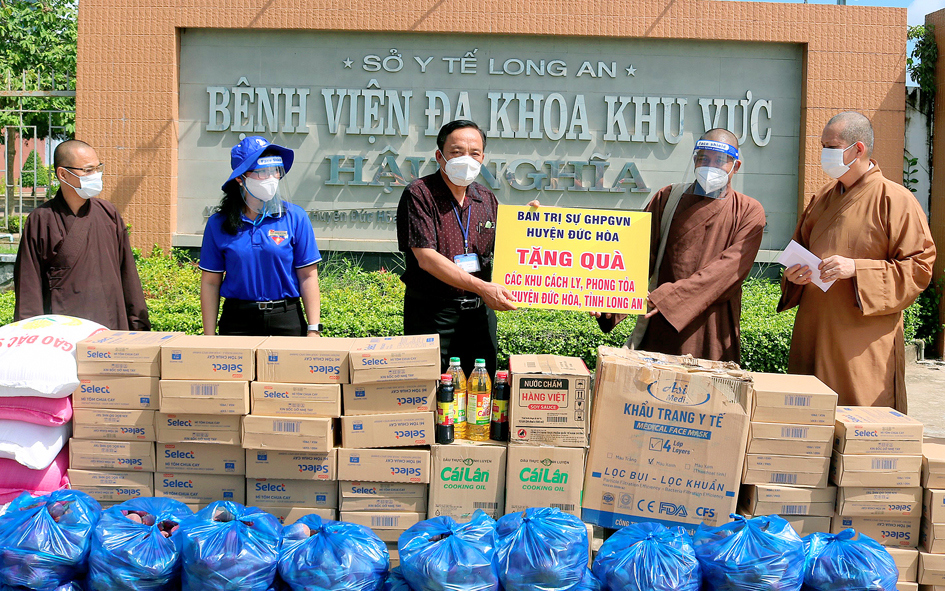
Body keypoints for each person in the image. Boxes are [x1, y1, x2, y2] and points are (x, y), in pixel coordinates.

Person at [780, 111, 935, 411]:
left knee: (860, 419)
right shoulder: (822, 197)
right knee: (809, 416)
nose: (824, 153)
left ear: (858, 149)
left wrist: (857, 269)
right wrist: (794, 275)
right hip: (814, 329)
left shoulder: (895, 199)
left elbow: (919, 267)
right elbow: (799, 250)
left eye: (831, 147)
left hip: (861, 341)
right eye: (823, 146)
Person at [597, 128, 766, 363]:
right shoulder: (668, 198)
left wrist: (670, 298)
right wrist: (612, 300)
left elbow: (726, 272)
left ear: (735, 166)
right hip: (659, 323)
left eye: (719, 160)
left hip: (712, 327)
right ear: (694, 160)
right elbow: (636, 255)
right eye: (703, 158)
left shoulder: (748, 211)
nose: (710, 166)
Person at [396, 120, 516, 377]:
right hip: (433, 313)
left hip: (479, 315)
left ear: (483, 158)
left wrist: (531, 223)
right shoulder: (419, 194)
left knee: (481, 386)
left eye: (474, 153)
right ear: (440, 156)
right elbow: (426, 258)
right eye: (456, 152)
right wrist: (483, 287)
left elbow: (510, 245)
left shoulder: (486, 198)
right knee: (433, 387)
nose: (466, 159)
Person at [14, 139, 150, 330]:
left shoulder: (108, 214)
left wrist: (138, 325)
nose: (95, 175)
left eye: (98, 168)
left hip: (111, 324)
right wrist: (32, 334)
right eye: (88, 170)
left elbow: (128, 274)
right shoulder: (41, 220)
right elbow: (28, 285)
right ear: (63, 174)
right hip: (64, 332)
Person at [199, 136, 322, 337]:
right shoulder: (218, 224)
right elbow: (210, 282)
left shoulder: (295, 217)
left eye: (275, 171)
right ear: (240, 178)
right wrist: (209, 336)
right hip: (237, 321)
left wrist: (314, 329)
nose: (271, 178)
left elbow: (308, 276)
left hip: (286, 317)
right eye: (262, 172)